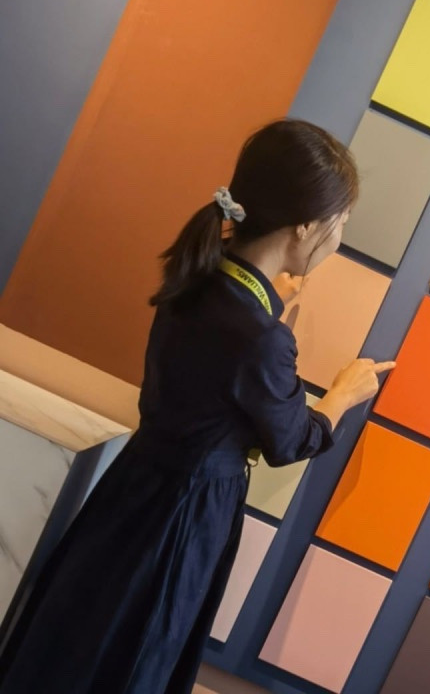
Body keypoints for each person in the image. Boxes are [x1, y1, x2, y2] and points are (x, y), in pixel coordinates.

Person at [0, 119, 395, 693]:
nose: (338, 239)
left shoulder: (199, 279)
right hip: (184, 516)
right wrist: (343, 395)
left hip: (133, 488)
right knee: (138, 654)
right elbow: (290, 439)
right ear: (306, 225)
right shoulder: (260, 336)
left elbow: (225, 366)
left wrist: (272, 308)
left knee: (79, 636)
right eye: (340, 223)